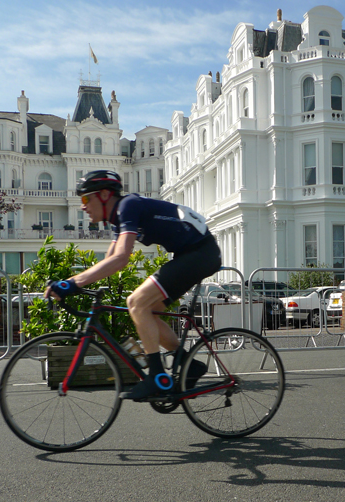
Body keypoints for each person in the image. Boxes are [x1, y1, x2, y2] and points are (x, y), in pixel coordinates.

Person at [43, 170, 222, 400]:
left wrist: (71, 284)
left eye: (87, 198)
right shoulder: (119, 219)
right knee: (147, 311)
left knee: (136, 303)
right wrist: (75, 283)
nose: (83, 206)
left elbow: (121, 259)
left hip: (200, 253)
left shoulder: (128, 205)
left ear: (105, 195)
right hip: (190, 254)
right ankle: (188, 363)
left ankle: (157, 378)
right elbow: (111, 259)